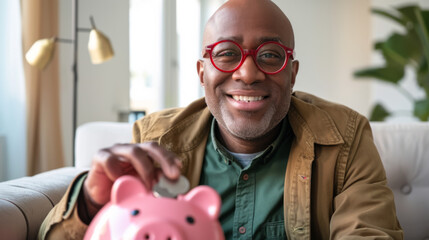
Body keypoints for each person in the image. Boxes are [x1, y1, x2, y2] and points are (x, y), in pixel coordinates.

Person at [39, 0, 403, 239]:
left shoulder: (346, 138)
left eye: (270, 55)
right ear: (202, 73)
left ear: (292, 74)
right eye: (227, 54)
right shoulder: (153, 141)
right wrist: (89, 204)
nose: (248, 73)